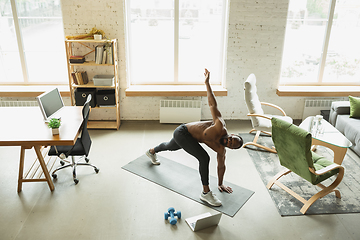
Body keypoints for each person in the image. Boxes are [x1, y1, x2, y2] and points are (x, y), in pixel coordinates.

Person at [146, 68, 243, 206]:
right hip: (182, 132)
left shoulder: (222, 150)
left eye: (230, 144)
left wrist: (221, 184)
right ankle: (205, 193)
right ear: (232, 135)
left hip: (190, 139)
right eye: (230, 139)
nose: (228, 141)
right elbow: (212, 104)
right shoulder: (219, 126)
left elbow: (221, 167)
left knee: (170, 147)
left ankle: (151, 151)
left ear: (230, 148)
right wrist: (207, 83)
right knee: (204, 158)